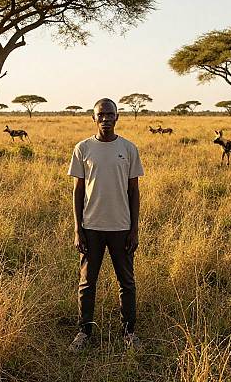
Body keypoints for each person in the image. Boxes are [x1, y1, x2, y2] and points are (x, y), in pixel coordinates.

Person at [67, 98, 144, 352]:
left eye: (110, 114)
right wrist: (78, 229)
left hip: (121, 227)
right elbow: (78, 191)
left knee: (127, 282)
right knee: (87, 283)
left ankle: (129, 332)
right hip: (91, 227)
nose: (106, 119)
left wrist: (134, 228)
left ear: (117, 117)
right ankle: (84, 331)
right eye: (101, 115)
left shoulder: (129, 148)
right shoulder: (83, 148)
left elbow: (134, 191)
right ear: (93, 118)